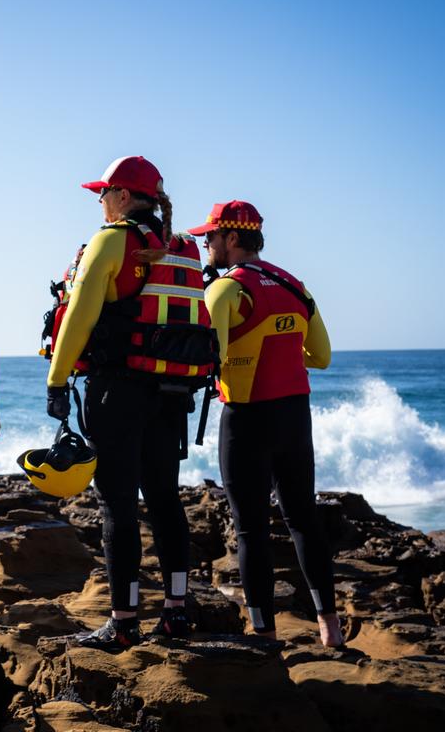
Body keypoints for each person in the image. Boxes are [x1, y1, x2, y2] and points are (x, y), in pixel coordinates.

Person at [47, 156, 215, 650]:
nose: (100, 202)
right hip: (171, 393)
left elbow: (78, 315)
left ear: (122, 196)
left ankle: (122, 623)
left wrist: (57, 382)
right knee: (164, 499)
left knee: (118, 503)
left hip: (117, 389)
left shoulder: (113, 240)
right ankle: (176, 614)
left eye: (103, 194)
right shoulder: (181, 246)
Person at [188, 200, 343, 646]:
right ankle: (330, 630)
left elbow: (208, 358)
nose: (205, 244)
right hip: (295, 414)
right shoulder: (296, 286)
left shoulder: (225, 289)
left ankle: (264, 634)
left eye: (210, 236)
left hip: (246, 419)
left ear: (232, 238)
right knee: (303, 520)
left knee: (250, 528)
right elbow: (323, 358)